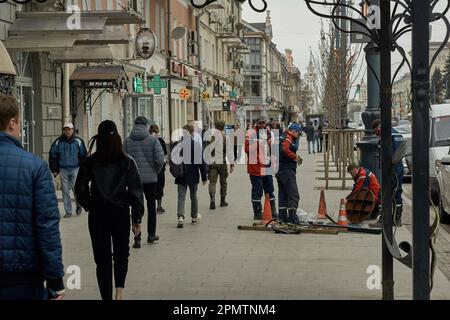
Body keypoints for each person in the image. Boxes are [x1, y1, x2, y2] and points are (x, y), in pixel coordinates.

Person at [0, 95, 65, 300]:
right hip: (22, 278)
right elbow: (46, 226)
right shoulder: (34, 167)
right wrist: (55, 280)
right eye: (20, 122)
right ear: (12, 123)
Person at [75, 120, 144, 300]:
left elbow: (80, 188)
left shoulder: (90, 162)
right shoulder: (127, 161)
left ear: (99, 139)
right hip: (120, 213)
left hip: (98, 214)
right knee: (121, 254)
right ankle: (119, 290)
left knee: (102, 259)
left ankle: (106, 296)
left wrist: (90, 204)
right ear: (118, 139)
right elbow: (136, 191)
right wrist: (137, 218)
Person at [124, 117, 165, 247]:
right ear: (146, 126)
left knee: (135, 207)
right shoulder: (153, 140)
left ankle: (137, 238)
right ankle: (151, 235)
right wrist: (155, 172)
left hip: (133, 180)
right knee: (151, 206)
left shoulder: (127, 141)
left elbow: (123, 161)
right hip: (150, 180)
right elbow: (159, 160)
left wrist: (128, 176)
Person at [370, 119, 405, 227]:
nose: (377, 135)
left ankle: (383, 220)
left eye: (377, 132)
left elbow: (387, 155)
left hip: (391, 169)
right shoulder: (397, 134)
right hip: (398, 167)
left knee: (386, 193)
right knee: (397, 193)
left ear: (379, 127)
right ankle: (397, 219)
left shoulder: (387, 136)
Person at [49, 122, 87, 218]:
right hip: (63, 169)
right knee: (65, 191)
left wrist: (83, 170)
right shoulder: (58, 142)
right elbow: (53, 156)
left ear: (73, 130)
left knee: (76, 188)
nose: (67, 131)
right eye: (65, 129)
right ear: (63, 131)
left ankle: (79, 205)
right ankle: (68, 211)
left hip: (75, 168)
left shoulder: (78, 141)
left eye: (69, 129)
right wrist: (54, 169)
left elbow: (84, 156)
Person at [172, 124, 208, 228]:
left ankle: (180, 217)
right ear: (192, 133)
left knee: (181, 196)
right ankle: (194, 217)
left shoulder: (177, 145)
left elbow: (173, 161)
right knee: (193, 196)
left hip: (181, 175)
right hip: (193, 175)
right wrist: (204, 177)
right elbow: (201, 162)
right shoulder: (196, 145)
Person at [245, 116, 277, 220]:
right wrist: (259, 143)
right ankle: (257, 213)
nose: (262, 125)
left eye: (263, 123)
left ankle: (272, 211)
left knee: (270, 190)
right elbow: (247, 148)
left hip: (267, 166)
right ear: (256, 123)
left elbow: (273, 149)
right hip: (256, 168)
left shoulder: (270, 133)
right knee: (257, 191)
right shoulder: (251, 133)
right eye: (260, 123)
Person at [276, 123, 303, 224]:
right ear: (294, 131)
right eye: (298, 134)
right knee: (293, 194)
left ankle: (282, 217)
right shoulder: (288, 138)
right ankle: (292, 218)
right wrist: (295, 157)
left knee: (283, 194)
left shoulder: (281, 136)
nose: (298, 136)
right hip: (286, 170)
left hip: (280, 169)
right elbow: (285, 149)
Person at [205, 120, 234, 209]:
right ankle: (222, 201)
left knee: (212, 182)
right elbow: (229, 152)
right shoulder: (226, 138)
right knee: (223, 182)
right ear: (223, 127)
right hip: (222, 162)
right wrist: (232, 164)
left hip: (212, 162)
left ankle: (212, 199)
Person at [150, 124, 168, 214]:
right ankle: (159, 206)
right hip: (160, 167)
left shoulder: (148, 140)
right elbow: (165, 152)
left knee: (152, 187)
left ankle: (152, 206)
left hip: (150, 167)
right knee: (160, 186)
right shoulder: (160, 140)